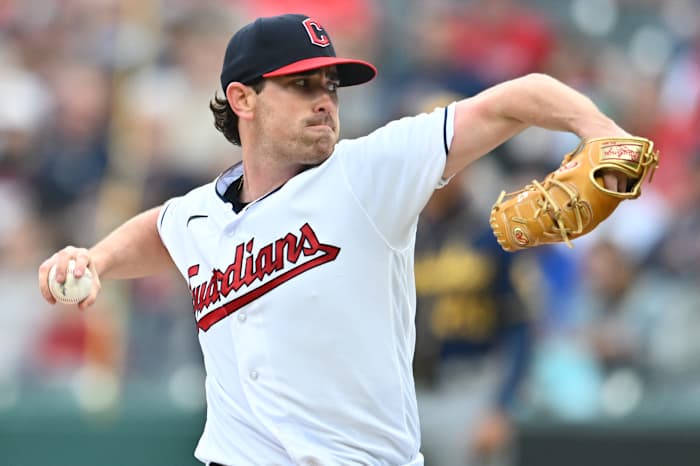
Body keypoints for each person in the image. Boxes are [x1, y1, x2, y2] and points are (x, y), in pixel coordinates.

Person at [38, 13, 632, 466]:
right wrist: (95, 258)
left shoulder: (368, 173)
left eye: (331, 84)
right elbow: (162, 231)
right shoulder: (201, 214)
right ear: (242, 99)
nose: (325, 98)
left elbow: (515, 99)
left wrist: (599, 129)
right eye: (301, 85)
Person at [413, 171, 533, 466]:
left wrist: (501, 407)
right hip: (407, 393)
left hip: (470, 389)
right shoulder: (403, 231)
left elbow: (521, 327)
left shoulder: (492, 230)